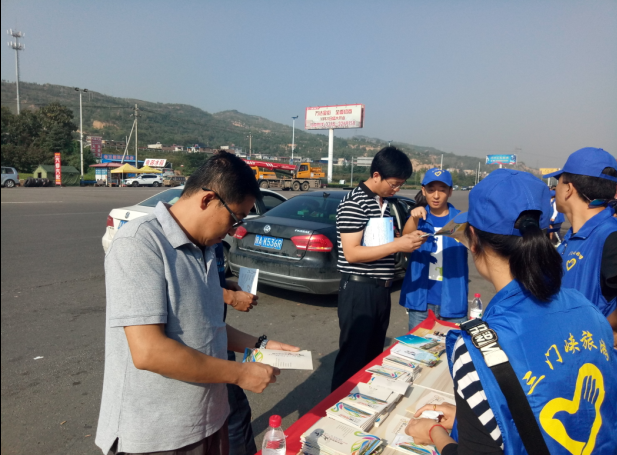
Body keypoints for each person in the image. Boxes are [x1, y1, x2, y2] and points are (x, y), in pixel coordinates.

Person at [96, 152, 299, 455]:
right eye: (235, 219)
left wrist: (260, 345)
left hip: (209, 422)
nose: (233, 231)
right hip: (158, 436)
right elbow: (149, 351)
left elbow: (205, 324)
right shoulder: (140, 243)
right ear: (207, 199)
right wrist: (240, 374)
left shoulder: (203, 248)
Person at [405, 169, 617, 454]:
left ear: (473, 240)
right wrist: (473, 421)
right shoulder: (588, 309)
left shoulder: (480, 347)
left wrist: (435, 433)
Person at [331, 146, 426, 392]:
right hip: (359, 289)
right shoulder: (355, 202)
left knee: (371, 359)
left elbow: (378, 245)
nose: (396, 190)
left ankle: (361, 404)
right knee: (352, 360)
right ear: (376, 175)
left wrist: (404, 240)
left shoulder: (381, 203)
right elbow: (352, 253)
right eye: (394, 184)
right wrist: (397, 245)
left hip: (380, 290)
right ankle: (336, 407)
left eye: (400, 185)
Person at [543, 147, 617, 343]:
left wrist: (605, 329)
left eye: (558, 182)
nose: (555, 189)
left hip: (594, 356)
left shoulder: (610, 236)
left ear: (569, 189)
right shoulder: (572, 238)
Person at [400, 168, 469, 331]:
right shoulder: (418, 219)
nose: (436, 196)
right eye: (431, 190)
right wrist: (413, 218)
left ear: (450, 192)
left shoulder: (461, 220)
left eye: (442, 190)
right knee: (417, 346)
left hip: (453, 302)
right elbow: (405, 240)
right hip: (420, 302)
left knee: (454, 346)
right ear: (423, 190)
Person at [214, 243, 259, 455]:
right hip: (210, 346)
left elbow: (202, 283)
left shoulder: (211, 242)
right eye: (232, 226)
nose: (232, 232)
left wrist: (225, 285)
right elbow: (188, 287)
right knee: (235, 415)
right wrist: (228, 296)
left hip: (218, 333)